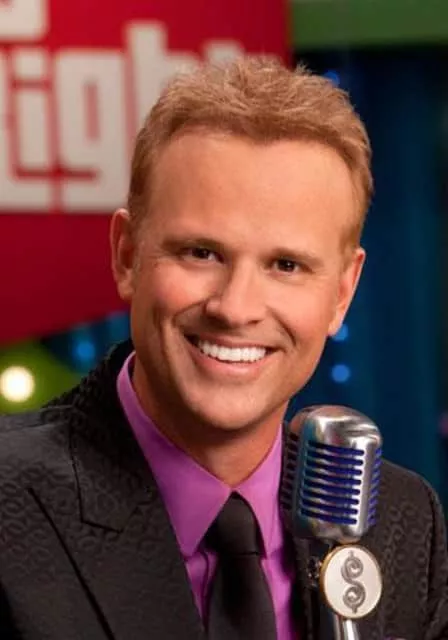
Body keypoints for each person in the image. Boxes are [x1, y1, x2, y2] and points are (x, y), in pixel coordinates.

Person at [0, 56, 447, 640]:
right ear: (127, 256)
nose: (236, 308)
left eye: (286, 265)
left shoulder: (404, 524)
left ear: (342, 293)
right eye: (201, 253)